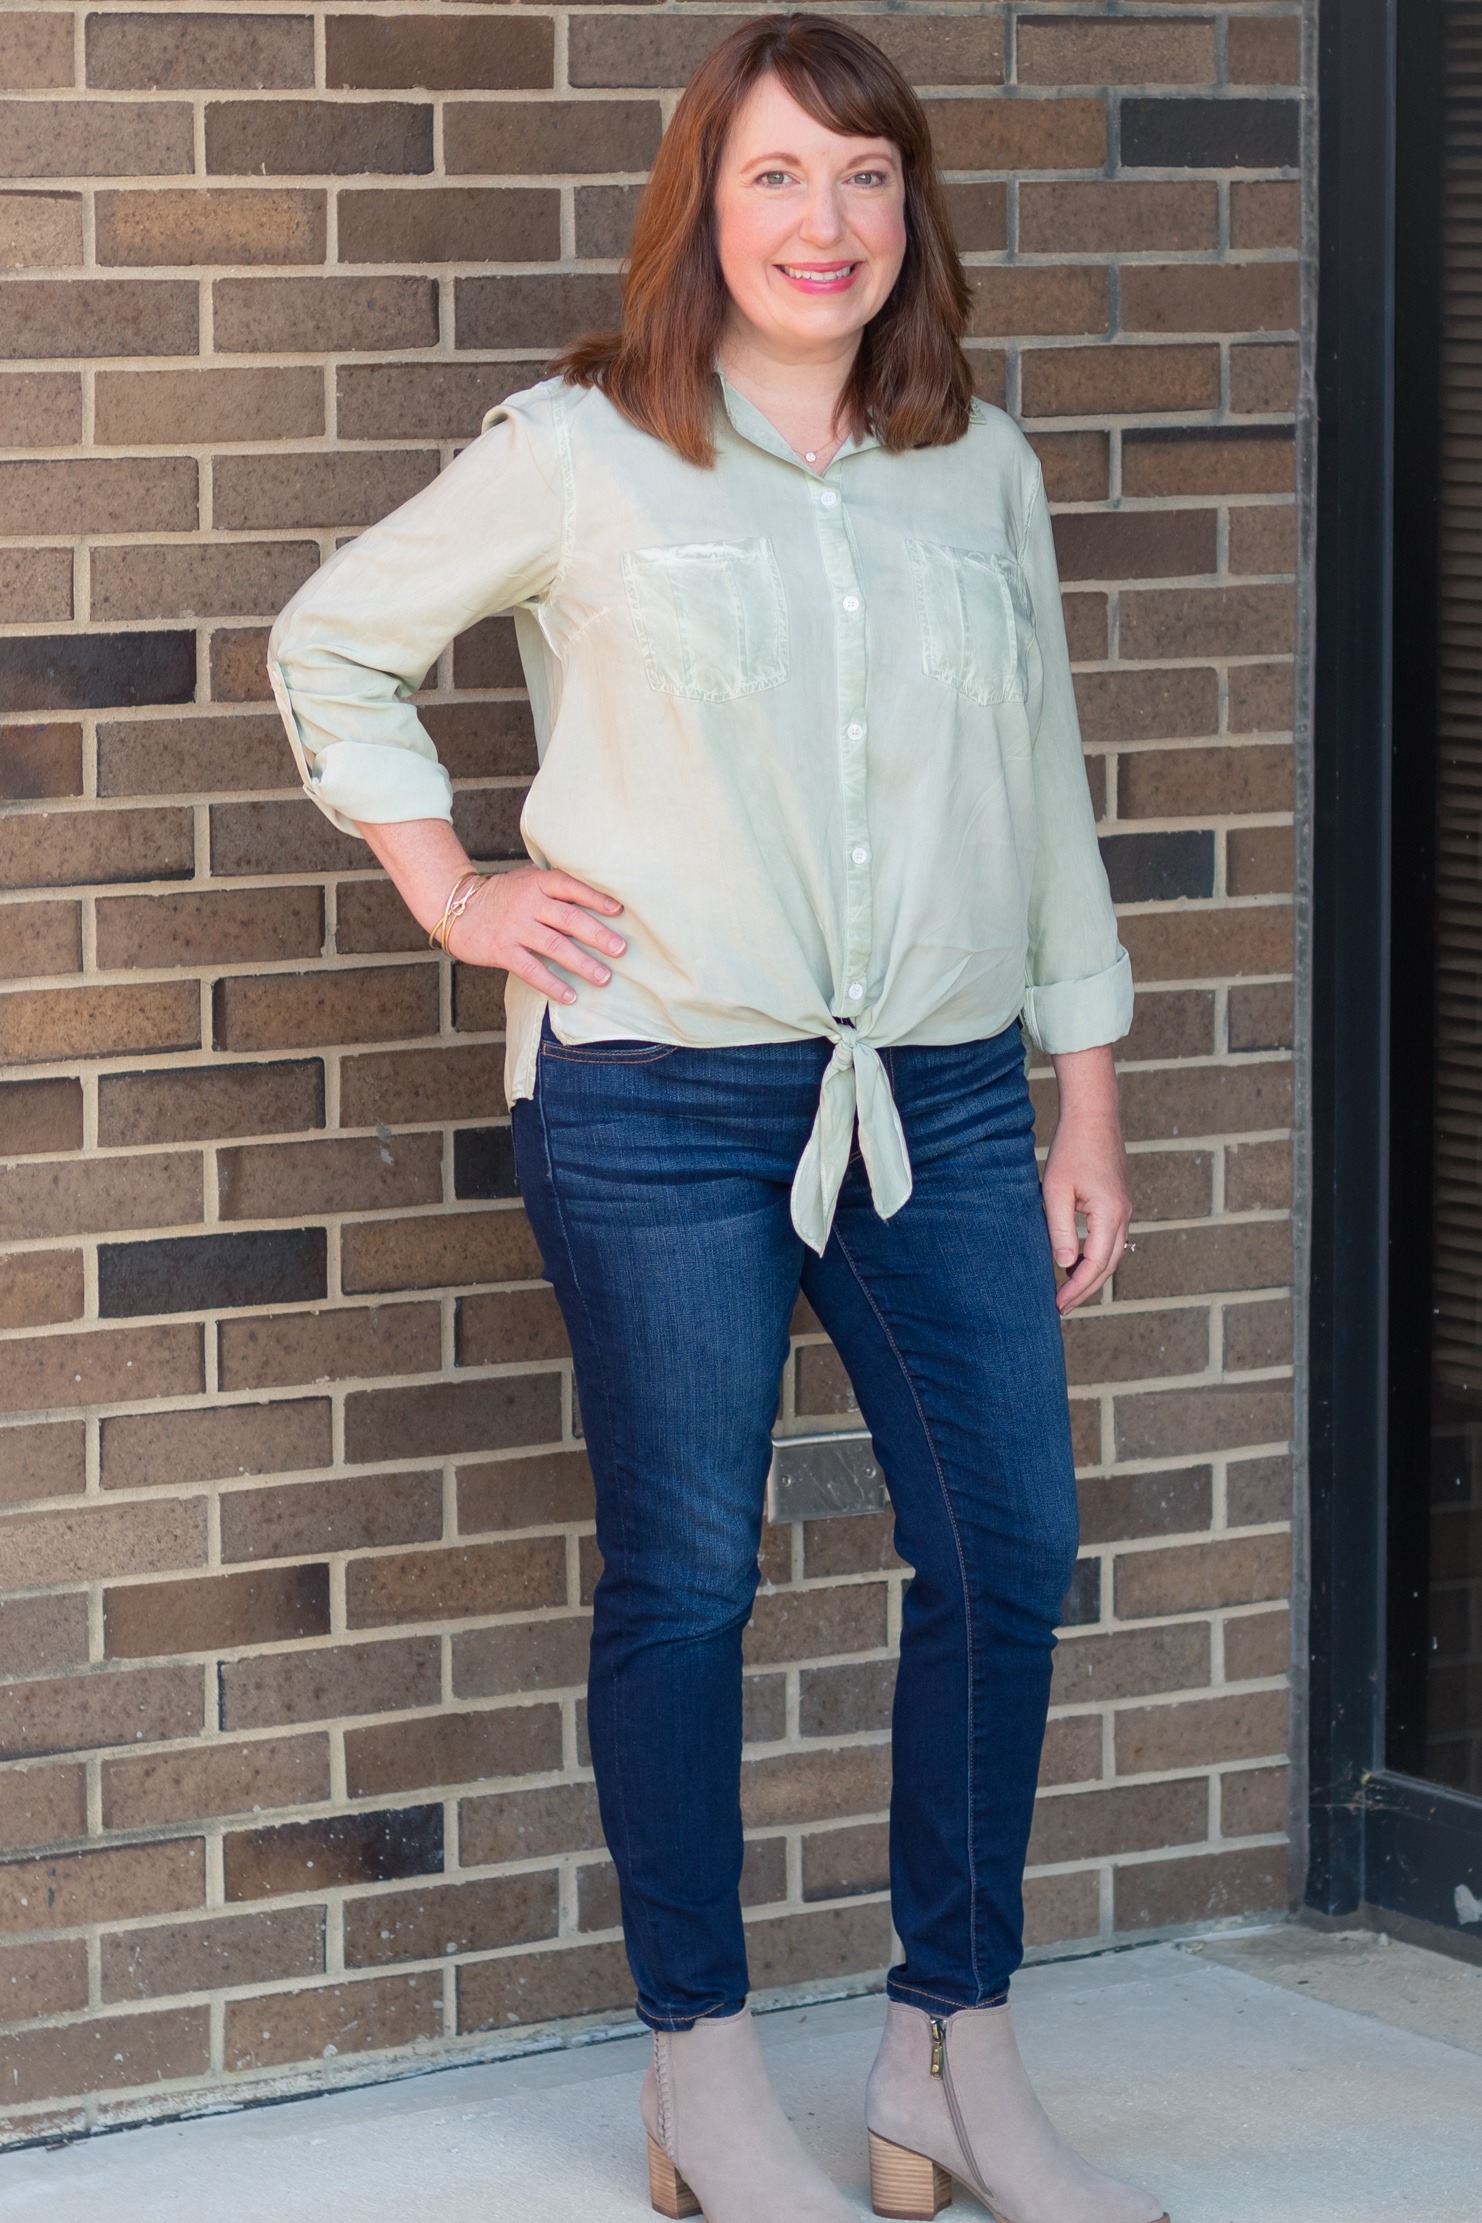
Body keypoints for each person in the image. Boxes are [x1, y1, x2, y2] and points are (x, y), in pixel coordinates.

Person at [267, 16, 1167, 2222]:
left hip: (943, 1093)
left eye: (866, 180)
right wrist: (456, 889)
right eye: (780, 177)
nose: (826, 223)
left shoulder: (984, 471)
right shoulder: (583, 449)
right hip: (661, 1093)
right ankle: (703, 2071)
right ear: (707, 203)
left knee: (1007, 1547)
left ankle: (954, 2050)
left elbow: (1043, 802)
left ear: (908, 214)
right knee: (686, 1575)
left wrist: (1090, 1103)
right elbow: (333, 644)